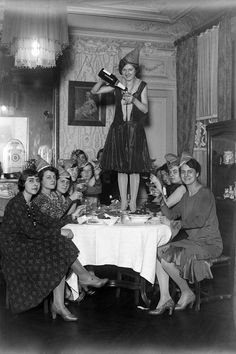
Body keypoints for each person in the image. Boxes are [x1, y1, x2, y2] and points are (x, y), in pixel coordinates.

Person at [0, 168, 79, 320]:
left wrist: (72, 218)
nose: (35, 184)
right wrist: (59, 232)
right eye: (31, 180)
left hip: (27, 243)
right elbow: (32, 232)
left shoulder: (31, 203)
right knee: (57, 245)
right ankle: (79, 281)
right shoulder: (17, 203)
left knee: (59, 246)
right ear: (23, 184)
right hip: (15, 250)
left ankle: (60, 303)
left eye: (37, 180)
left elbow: (50, 223)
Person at [149, 155, 223, 315]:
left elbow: (199, 220)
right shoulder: (185, 196)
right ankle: (171, 295)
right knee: (159, 250)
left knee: (166, 257)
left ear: (197, 174)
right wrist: (161, 198)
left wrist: (179, 224)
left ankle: (186, 292)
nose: (186, 174)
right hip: (193, 241)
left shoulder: (205, 193)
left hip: (209, 244)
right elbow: (171, 214)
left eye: (190, 171)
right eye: (183, 172)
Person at [32, 162, 108, 293]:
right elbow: (54, 218)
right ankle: (82, 279)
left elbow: (56, 221)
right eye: (49, 178)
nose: (53, 181)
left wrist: (74, 216)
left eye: (53, 177)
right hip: (38, 239)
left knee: (77, 240)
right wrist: (71, 199)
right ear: (40, 180)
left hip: (49, 235)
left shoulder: (51, 196)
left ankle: (82, 280)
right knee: (64, 243)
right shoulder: (39, 198)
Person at [91, 47, 151, 212]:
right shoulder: (117, 85)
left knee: (134, 168)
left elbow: (145, 110)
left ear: (135, 70)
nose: (127, 72)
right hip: (118, 130)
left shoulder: (142, 86)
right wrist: (102, 79)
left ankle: (133, 203)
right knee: (121, 168)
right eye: (124, 70)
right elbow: (94, 91)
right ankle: (124, 202)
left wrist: (133, 100)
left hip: (134, 130)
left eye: (130, 69)